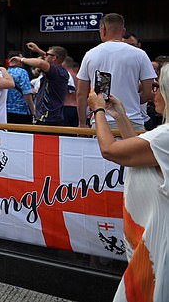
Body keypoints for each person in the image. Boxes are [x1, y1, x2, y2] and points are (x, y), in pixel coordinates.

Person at [87, 65, 169, 302]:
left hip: (156, 243)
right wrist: (120, 114)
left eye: (157, 87)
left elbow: (111, 150)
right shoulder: (161, 137)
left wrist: (98, 111)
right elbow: (140, 153)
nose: (153, 94)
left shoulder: (165, 136)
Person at [77, 13, 156, 130]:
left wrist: (82, 124)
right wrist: (132, 99)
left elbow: (81, 94)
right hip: (133, 120)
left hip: (101, 121)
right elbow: (148, 93)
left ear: (103, 30)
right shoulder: (140, 54)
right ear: (123, 31)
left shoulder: (90, 55)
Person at [11, 43, 69, 126]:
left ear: (54, 58)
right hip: (49, 116)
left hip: (48, 117)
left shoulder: (56, 71)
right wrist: (37, 50)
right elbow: (47, 58)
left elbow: (41, 63)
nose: (44, 56)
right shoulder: (59, 70)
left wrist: (21, 59)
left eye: (47, 54)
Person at [6, 51, 37, 124]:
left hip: (6, 110)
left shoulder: (5, 72)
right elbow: (27, 93)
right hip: (21, 110)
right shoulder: (22, 72)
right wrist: (33, 111)